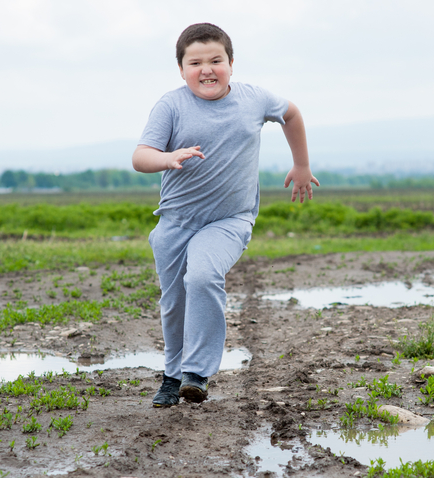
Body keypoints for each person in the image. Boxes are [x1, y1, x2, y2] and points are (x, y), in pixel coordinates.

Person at [133, 22, 319, 407]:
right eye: (195, 62)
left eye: (216, 60)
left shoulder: (254, 99)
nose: (207, 69)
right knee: (175, 301)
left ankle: (196, 374)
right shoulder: (171, 106)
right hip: (176, 222)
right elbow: (140, 157)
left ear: (231, 63)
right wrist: (167, 158)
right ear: (181, 69)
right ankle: (172, 375)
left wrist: (301, 164)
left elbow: (292, 114)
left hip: (229, 220)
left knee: (202, 276)